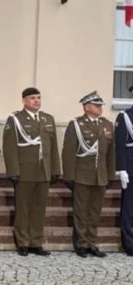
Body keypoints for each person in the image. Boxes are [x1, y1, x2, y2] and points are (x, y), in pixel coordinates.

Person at [2, 87, 60, 256]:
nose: (37, 101)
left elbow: (53, 147)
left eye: (38, 98)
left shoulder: (48, 119)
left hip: (43, 170)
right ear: (24, 101)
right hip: (24, 170)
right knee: (23, 207)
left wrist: (55, 169)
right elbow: (9, 147)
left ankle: (36, 242)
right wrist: (13, 171)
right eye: (33, 98)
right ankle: (22, 242)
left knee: (39, 208)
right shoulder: (15, 119)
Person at [62, 91, 115, 258]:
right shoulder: (76, 124)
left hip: (100, 175)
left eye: (100, 105)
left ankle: (91, 242)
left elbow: (110, 153)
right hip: (82, 175)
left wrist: (110, 175)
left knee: (95, 211)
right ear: (86, 107)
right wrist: (69, 175)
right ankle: (81, 243)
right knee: (81, 211)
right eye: (96, 105)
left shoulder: (107, 124)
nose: (100, 108)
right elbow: (68, 152)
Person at [116, 86, 133, 256]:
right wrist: (121, 169)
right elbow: (120, 145)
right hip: (130, 165)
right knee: (128, 207)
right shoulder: (125, 116)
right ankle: (129, 242)